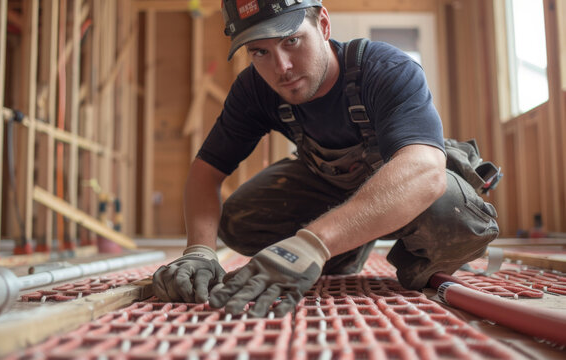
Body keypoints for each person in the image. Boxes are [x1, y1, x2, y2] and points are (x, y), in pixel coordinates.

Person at [152, 0, 499, 318]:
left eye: (291, 41)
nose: (281, 68)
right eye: (260, 52)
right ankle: (348, 248)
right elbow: (205, 171)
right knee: (240, 220)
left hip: (411, 185)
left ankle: (359, 244)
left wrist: (314, 242)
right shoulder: (255, 90)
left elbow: (424, 171)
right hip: (333, 188)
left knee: (450, 219)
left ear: (323, 25)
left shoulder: (385, 69)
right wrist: (199, 251)